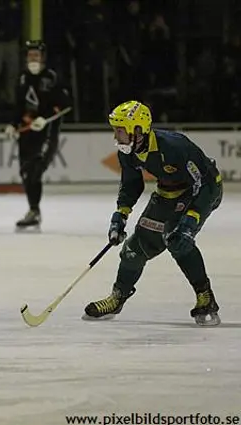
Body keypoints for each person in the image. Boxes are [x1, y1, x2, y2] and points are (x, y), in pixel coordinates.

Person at [84, 101, 223, 326]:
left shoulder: (175, 146)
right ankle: (117, 297)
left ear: (138, 130)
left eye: (121, 130)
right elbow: (131, 184)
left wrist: (193, 217)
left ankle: (205, 297)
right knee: (133, 250)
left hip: (202, 191)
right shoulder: (128, 153)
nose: (116, 136)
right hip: (167, 194)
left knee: (177, 239)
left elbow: (206, 183)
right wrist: (120, 214)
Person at [5, 40, 72, 230]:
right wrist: (12, 124)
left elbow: (66, 104)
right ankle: (33, 210)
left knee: (35, 171)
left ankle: (34, 211)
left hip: (46, 133)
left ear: (43, 57)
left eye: (36, 55)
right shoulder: (22, 78)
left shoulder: (53, 77)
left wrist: (46, 118)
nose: (33, 58)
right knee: (26, 173)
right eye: (30, 55)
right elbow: (19, 106)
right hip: (27, 134)